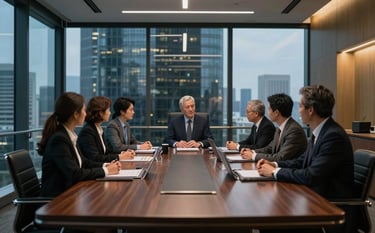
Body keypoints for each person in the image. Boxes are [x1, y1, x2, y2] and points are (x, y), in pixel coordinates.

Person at [256, 85, 355, 233]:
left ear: (311, 110)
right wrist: (274, 163)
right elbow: (301, 161)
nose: (298, 111)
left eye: (301, 106)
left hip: (327, 205)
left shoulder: (333, 136)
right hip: (313, 196)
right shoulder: (320, 132)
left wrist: (275, 172)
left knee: (272, 218)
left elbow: (311, 175)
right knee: (271, 212)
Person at [38, 92, 121, 198]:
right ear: (75, 114)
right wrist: (106, 171)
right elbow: (74, 174)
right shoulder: (59, 139)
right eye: (83, 110)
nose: (86, 114)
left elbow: (84, 162)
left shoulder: (68, 135)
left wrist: (106, 166)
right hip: (57, 200)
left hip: (71, 193)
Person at [240, 93, 307, 162]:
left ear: (276, 113)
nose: (268, 113)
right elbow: (269, 148)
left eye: (269, 109)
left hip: (289, 169)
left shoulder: (294, 130)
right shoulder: (280, 128)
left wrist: (253, 156)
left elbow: (280, 157)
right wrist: (252, 151)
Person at [77, 96, 135, 162]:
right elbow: (95, 158)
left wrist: (123, 154)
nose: (110, 113)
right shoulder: (88, 131)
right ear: (100, 113)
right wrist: (119, 156)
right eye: (108, 110)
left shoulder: (98, 128)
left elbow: (107, 152)